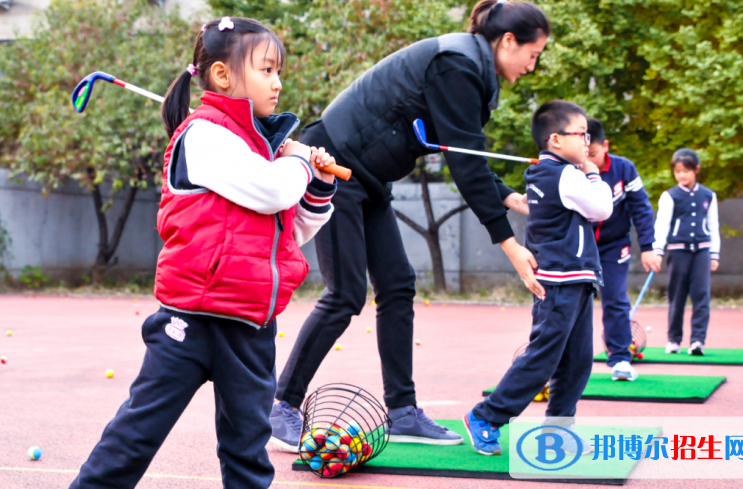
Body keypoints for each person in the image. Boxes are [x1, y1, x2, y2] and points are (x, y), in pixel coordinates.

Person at [269, 0, 551, 450]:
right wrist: (510, 245)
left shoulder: (469, 68)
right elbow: (464, 162)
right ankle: (280, 404)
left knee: (398, 285)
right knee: (344, 294)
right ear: (508, 41)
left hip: (369, 178)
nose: (531, 68)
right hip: (335, 166)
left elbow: (467, 151)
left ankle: (402, 412)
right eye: (532, 56)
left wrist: (511, 197)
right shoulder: (457, 64)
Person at [69, 17, 337, 489]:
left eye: (279, 72)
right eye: (267, 70)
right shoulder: (204, 135)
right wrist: (296, 160)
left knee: (247, 454)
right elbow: (272, 191)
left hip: (251, 328)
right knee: (135, 436)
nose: (278, 82)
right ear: (222, 76)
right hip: (190, 322)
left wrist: (318, 189)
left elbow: (286, 230)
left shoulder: (259, 150)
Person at [463, 100, 612, 456]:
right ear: (556, 140)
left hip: (574, 279)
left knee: (577, 360)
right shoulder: (566, 175)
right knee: (543, 358)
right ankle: (485, 417)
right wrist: (593, 173)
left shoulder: (554, 174)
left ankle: (560, 427)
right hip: (560, 279)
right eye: (582, 134)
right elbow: (602, 207)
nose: (588, 143)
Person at [585, 118, 658, 382]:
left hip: (615, 246)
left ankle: (620, 359)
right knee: (571, 303)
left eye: (593, 153)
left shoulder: (624, 169)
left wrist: (649, 247)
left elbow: (641, 207)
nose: (588, 160)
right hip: (580, 246)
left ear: (605, 146)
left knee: (615, 298)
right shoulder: (572, 169)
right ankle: (562, 362)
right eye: (584, 154)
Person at [652, 149, 720, 356]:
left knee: (702, 296)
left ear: (696, 170)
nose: (682, 175)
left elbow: (712, 225)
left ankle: (698, 341)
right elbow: (662, 225)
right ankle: (674, 340)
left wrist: (714, 254)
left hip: (702, 251)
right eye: (678, 171)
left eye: (686, 171)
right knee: (677, 296)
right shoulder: (669, 196)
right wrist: (657, 250)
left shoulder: (708, 195)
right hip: (677, 252)